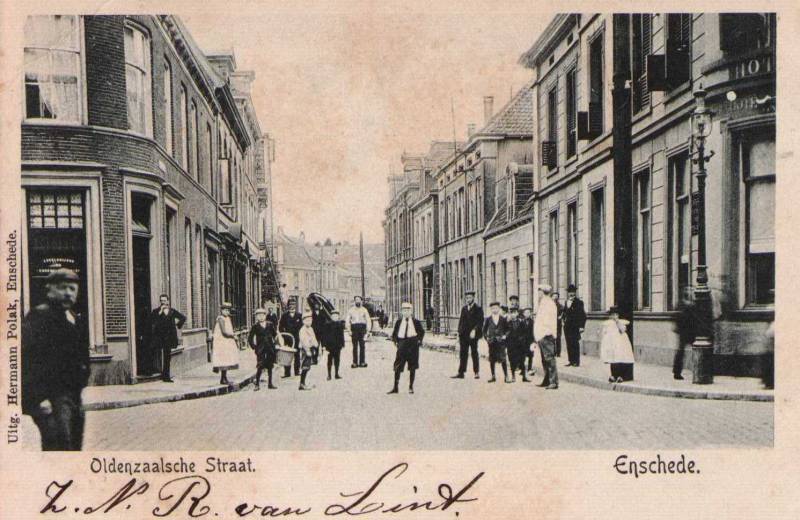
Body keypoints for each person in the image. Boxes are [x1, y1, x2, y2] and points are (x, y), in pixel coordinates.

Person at [22, 268, 90, 451]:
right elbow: (28, 360)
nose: (68, 292)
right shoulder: (39, 317)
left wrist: (83, 377)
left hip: (73, 397)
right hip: (52, 399)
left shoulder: (73, 317)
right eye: (62, 287)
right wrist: (38, 400)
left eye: (72, 288)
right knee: (60, 447)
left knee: (74, 446)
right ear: (50, 289)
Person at [148, 294, 186, 382]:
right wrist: (159, 313)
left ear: (168, 301)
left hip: (169, 337)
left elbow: (183, 318)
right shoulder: (156, 311)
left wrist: (177, 325)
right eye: (161, 300)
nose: (163, 302)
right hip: (158, 337)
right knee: (152, 351)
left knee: (167, 357)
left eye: (164, 301)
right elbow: (151, 321)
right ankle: (151, 371)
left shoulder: (172, 311)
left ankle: (166, 376)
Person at [388, 302, 425, 394]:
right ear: (402, 312)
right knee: (397, 366)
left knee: (412, 367)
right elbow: (394, 334)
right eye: (404, 310)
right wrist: (396, 342)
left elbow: (421, 332)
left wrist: (419, 340)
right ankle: (395, 387)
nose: (406, 312)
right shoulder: (399, 322)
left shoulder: (416, 322)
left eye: (408, 310)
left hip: (413, 345)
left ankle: (411, 387)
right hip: (402, 344)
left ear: (411, 311)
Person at [452, 290, 483, 379]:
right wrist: (458, 333)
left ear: (473, 298)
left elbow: (480, 322)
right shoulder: (464, 309)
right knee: (463, 353)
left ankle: (476, 372)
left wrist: (474, 330)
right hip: (464, 335)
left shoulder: (478, 308)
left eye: (469, 298)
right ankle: (461, 372)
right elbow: (461, 322)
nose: (468, 299)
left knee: (474, 353)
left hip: (473, 335)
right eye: (467, 298)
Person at [600, 306, 635, 383]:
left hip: (621, 342)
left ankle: (621, 376)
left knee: (620, 357)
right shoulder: (607, 324)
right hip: (611, 343)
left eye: (615, 314)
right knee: (613, 359)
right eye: (612, 315)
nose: (614, 316)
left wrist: (617, 321)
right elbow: (604, 333)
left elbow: (622, 330)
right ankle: (613, 375)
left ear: (618, 315)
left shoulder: (621, 322)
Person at [534, 284, 559, 390]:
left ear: (542, 292)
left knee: (549, 358)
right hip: (541, 335)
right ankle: (547, 379)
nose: (538, 294)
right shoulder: (544, 303)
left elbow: (549, 321)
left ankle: (553, 381)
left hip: (546, 334)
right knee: (545, 359)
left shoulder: (548, 303)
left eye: (539, 291)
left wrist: (546, 333)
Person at [248, 308, 280, 391]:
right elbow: (250, 338)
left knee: (270, 366)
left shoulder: (270, 324)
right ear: (256, 317)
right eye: (259, 316)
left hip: (270, 348)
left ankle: (270, 383)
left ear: (265, 316)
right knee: (260, 366)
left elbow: (275, 335)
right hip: (261, 349)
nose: (261, 317)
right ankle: (257, 384)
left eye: (262, 315)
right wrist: (254, 347)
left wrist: (276, 344)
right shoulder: (255, 326)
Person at [212, 303, 240, 385]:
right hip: (222, 342)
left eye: (228, 310)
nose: (226, 312)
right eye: (225, 310)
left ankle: (224, 377)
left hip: (226, 341)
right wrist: (233, 336)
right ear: (221, 310)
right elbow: (224, 332)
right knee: (223, 359)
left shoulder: (227, 318)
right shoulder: (220, 319)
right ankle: (223, 378)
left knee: (226, 359)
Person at [482, 301, 510, 383]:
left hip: (501, 342)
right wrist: (487, 339)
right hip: (492, 342)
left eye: (496, 308)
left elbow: (508, 329)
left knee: (503, 359)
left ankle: (506, 376)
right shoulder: (488, 319)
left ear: (499, 309)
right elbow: (484, 330)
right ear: (491, 309)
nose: (494, 310)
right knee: (492, 359)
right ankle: (493, 376)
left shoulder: (502, 319)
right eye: (493, 308)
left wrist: (505, 336)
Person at [562, 284, 587, 368]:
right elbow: (564, 313)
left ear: (575, 293)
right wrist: (563, 320)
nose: (571, 294)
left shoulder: (579, 302)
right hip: (567, 327)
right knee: (569, 343)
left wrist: (581, 326)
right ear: (567, 293)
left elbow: (583, 315)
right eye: (569, 292)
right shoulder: (566, 302)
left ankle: (576, 361)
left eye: (572, 292)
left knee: (575, 343)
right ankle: (571, 360)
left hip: (575, 326)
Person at [673, 286, 694, 380]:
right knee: (681, 351)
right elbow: (677, 316)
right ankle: (677, 372)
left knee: (694, 350)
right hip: (684, 331)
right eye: (687, 290)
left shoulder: (692, 304)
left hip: (691, 331)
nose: (689, 292)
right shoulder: (682, 304)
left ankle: (696, 369)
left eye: (690, 290)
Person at [278, 300, 303, 377]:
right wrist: (284, 335)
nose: (292, 306)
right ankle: (287, 373)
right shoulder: (284, 316)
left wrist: (300, 337)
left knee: (297, 355)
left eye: (293, 305)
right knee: (287, 355)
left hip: (297, 338)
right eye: (290, 305)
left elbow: (302, 327)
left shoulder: (299, 316)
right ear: (288, 306)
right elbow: (280, 327)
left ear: (295, 306)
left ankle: (297, 371)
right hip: (287, 339)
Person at [507, 307, 531, 382]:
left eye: (515, 312)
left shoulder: (521, 322)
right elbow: (505, 333)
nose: (513, 314)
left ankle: (524, 377)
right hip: (511, 345)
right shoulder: (508, 323)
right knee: (512, 361)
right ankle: (513, 376)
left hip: (520, 345)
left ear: (517, 313)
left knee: (522, 361)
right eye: (512, 313)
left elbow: (525, 333)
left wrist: (522, 339)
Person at [346, 295, 372, 368]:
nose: (357, 301)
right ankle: (355, 362)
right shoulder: (351, 310)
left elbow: (368, 320)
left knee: (362, 346)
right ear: (354, 301)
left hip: (362, 328)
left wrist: (368, 331)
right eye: (356, 300)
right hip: (354, 328)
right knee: (354, 346)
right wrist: (349, 330)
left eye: (359, 300)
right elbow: (347, 321)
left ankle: (362, 362)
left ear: (361, 301)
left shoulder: (364, 310)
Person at [297, 312, 318, 390]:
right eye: (307, 320)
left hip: (311, 348)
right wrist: (307, 351)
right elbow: (303, 341)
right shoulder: (303, 330)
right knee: (305, 366)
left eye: (310, 320)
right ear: (303, 321)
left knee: (308, 366)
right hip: (305, 349)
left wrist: (315, 345)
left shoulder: (311, 328)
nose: (309, 322)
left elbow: (313, 338)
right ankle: (301, 383)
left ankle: (303, 382)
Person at [324, 309, 345, 380]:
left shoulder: (340, 324)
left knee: (337, 360)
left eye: (336, 316)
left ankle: (336, 373)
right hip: (330, 346)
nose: (335, 317)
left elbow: (342, 335)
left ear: (338, 317)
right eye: (333, 316)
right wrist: (325, 345)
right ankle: (329, 374)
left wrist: (342, 344)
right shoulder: (327, 324)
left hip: (338, 345)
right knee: (329, 360)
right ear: (331, 316)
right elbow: (325, 336)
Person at [522, 308, 536, 375]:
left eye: (528, 313)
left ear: (530, 314)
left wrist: (534, 342)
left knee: (530, 356)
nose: (527, 314)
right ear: (523, 314)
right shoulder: (522, 322)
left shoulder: (532, 322)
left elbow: (534, 332)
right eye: (526, 313)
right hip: (524, 341)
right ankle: (523, 369)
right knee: (523, 356)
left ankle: (529, 368)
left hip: (530, 341)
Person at [552, 291, 564, 357]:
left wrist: (561, 316)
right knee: (552, 338)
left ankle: (558, 353)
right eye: (554, 296)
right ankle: (553, 352)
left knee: (558, 338)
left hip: (558, 324)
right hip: (551, 324)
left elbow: (563, 312)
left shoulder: (560, 306)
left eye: (556, 296)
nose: (555, 298)